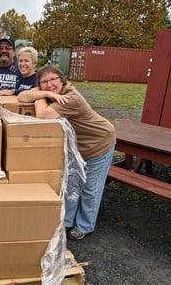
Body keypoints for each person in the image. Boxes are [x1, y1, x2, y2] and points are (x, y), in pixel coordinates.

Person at [17, 65, 116, 240]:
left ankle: (84, 225)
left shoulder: (71, 98)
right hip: (78, 148)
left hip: (98, 144)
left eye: (53, 80)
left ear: (62, 80)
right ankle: (67, 221)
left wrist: (43, 95)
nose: (49, 84)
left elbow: (43, 115)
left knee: (89, 188)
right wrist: (46, 94)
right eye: (44, 82)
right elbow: (22, 96)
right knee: (71, 184)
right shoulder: (52, 94)